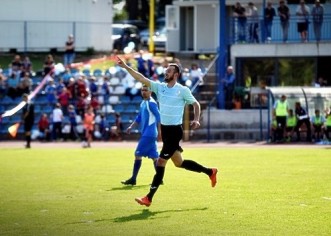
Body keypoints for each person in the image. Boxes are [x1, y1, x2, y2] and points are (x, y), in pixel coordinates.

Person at [116, 56, 218, 207]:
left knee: (161, 162)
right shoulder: (160, 87)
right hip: (166, 131)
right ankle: (210, 172)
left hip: (175, 132)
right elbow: (141, 78)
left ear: (176, 74)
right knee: (179, 163)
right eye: (166, 71)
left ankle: (149, 198)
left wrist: (196, 119)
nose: (166, 73)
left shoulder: (182, 90)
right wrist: (126, 67)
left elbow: (196, 104)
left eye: (169, 71)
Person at [121, 85, 161, 186]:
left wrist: (161, 132)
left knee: (137, 154)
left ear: (150, 92)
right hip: (148, 133)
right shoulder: (143, 103)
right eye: (142, 90)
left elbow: (159, 117)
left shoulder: (151, 103)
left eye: (146, 90)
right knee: (154, 157)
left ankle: (133, 179)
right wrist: (131, 127)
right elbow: (139, 117)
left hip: (149, 133)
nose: (143, 92)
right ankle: (159, 179)